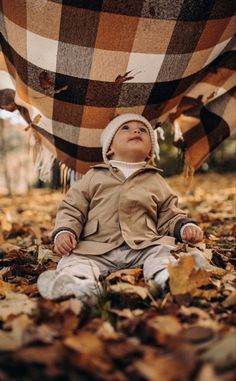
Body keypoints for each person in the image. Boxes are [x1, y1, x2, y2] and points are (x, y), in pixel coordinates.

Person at [37, 113, 204, 300]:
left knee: (161, 253)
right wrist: (65, 231)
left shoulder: (155, 180)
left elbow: (169, 213)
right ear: (109, 149)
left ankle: (168, 277)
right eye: (125, 128)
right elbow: (73, 207)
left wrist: (184, 226)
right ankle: (80, 285)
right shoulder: (94, 176)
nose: (136, 131)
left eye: (143, 130)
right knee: (75, 260)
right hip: (97, 248)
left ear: (149, 152)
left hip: (143, 245)